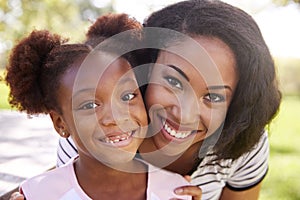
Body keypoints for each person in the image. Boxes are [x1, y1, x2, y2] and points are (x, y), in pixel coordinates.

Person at [12, 0, 282, 199]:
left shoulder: (245, 143)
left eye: (213, 97)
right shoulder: (96, 136)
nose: (184, 114)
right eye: (174, 82)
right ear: (145, 68)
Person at [6, 13, 194, 200]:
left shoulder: (175, 191)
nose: (116, 116)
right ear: (60, 123)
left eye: (128, 96)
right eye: (90, 105)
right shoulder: (39, 194)